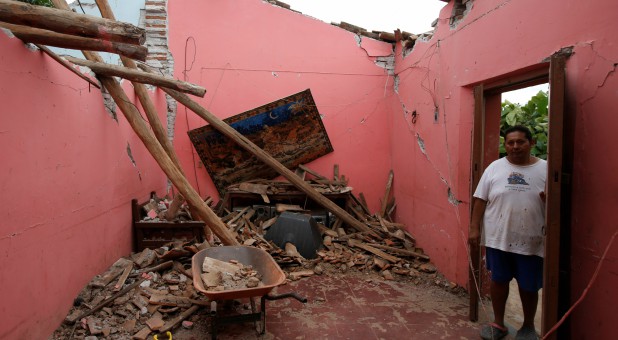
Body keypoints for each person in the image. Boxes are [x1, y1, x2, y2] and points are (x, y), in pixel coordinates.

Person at [469, 125, 547, 340]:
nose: (514, 147)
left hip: (532, 239)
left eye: (520, 142)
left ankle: (528, 326)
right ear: (505, 145)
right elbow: (480, 199)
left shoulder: (546, 169)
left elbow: (556, 203)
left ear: (531, 143)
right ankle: (498, 323)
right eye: (510, 143)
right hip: (498, 238)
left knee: (528, 285)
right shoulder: (494, 167)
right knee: (499, 280)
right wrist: (474, 229)